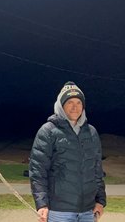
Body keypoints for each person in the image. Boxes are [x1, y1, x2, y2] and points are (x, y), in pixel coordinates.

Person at [29, 81, 106, 222]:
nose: (75, 107)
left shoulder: (91, 132)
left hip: (88, 211)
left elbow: (97, 169)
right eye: (70, 102)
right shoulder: (48, 131)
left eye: (78, 102)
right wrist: (42, 204)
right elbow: (38, 171)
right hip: (59, 211)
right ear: (61, 105)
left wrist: (100, 201)